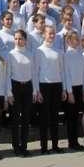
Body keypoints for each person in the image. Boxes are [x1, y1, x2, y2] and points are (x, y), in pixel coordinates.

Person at [36, 25, 66, 154]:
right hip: (44, 86)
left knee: (54, 117)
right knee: (44, 118)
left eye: (53, 33)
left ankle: (55, 145)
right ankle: (44, 146)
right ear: (43, 34)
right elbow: (35, 72)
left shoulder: (59, 51)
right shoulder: (39, 51)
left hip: (57, 85)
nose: (52, 36)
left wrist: (64, 89)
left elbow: (62, 71)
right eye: (49, 33)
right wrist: (37, 91)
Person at [8, 29, 36, 156]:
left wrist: (35, 90)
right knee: (15, 118)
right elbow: (8, 75)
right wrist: (9, 93)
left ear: (25, 40)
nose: (18, 41)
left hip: (28, 87)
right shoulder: (10, 55)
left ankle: (24, 146)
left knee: (26, 118)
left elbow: (34, 73)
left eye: (21, 38)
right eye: (16, 39)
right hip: (15, 87)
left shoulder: (30, 54)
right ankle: (16, 146)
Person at [63, 31, 84, 150]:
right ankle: (71, 142)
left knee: (77, 116)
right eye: (75, 39)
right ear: (69, 41)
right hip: (71, 89)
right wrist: (70, 92)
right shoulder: (67, 55)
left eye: (78, 39)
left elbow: (83, 73)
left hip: (79, 87)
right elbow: (67, 74)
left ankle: (75, 140)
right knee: (71, 117)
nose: (77, 41)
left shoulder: (80, 54)